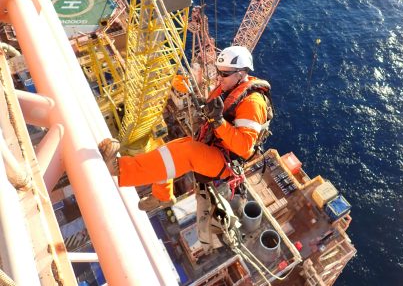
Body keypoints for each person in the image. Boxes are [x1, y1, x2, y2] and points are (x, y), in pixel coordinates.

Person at [98, 45, 272, 211]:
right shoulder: (229, 87)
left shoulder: (253, 103)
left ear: (240, 74)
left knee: (186, 152)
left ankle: (119, 169)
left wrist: (218, 121)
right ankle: (162, 195)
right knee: (170, 150)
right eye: (218, 72)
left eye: (224, 74)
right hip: (216, 147)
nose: (219, 77)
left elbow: (244, 147)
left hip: (226, 161)